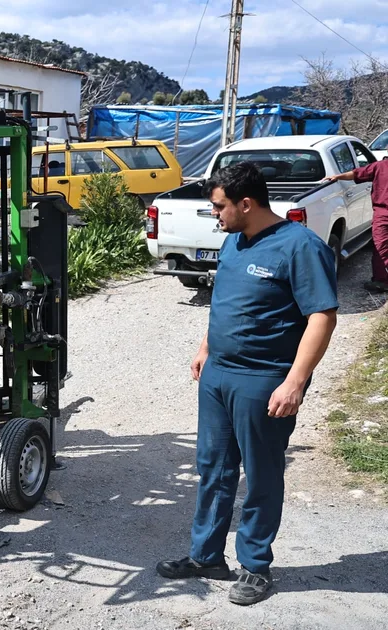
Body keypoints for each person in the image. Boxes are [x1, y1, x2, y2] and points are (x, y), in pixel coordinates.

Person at [157, 162, 338, 605]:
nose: (214, 214)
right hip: (219, 375)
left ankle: (255, 567)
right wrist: (205, 346)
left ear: (246, 203)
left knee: (260, 475)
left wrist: (294, 382)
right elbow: (224, 299)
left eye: (218, 206)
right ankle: (206, 557)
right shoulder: (236, 240)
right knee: (213, 469)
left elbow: (322, 316)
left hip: (264, 380)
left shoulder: (299, 246)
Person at [325, 157, 388, 292]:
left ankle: (381, 280)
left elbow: (356, 173)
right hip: (383, 214)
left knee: (381, 247)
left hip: (382, 214)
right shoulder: (379, 166)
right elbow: (356, 174)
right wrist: (337, 177)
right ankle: (381, 281)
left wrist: (337, 176)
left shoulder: (380, 166)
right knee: (381, 247)